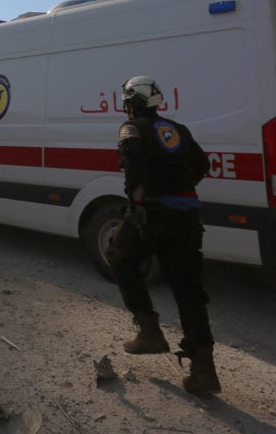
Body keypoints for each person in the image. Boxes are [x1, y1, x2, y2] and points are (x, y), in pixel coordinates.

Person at [106, 75, 220, 396]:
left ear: (133, 103)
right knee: (187, 289)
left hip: (151, 213)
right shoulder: (178, 130)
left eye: (127, 102)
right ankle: (204, 371)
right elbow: (202, 164)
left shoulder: (131, 129)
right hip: (186, 216)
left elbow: (135, 165)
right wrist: (178, 187)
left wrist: (139, 202)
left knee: (117, 255)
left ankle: (150, 331)